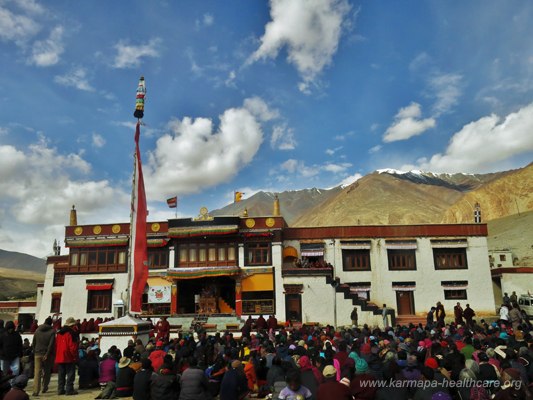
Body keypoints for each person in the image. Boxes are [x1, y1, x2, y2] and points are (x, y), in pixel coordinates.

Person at [55, 317, 79, 396]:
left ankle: (60, 389)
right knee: (70, 374)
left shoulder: (59, 333)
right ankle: (69, 390)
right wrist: (75, 356)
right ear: (72, 325)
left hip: (59, 356)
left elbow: (56, 345)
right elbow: (73, 347)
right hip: (69, 356)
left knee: (61, 374)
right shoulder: (71, 333)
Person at [31, 316, 55, 396]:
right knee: (47, 372)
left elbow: (33, 342)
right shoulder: (52, 331)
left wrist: (35, 351)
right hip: (47, 354)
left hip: (37, 353)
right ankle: (44, 387)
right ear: (51, 323)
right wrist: (47, 354)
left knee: (37, 372)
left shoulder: (37, 330)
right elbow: (51, 344)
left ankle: (35, 391)